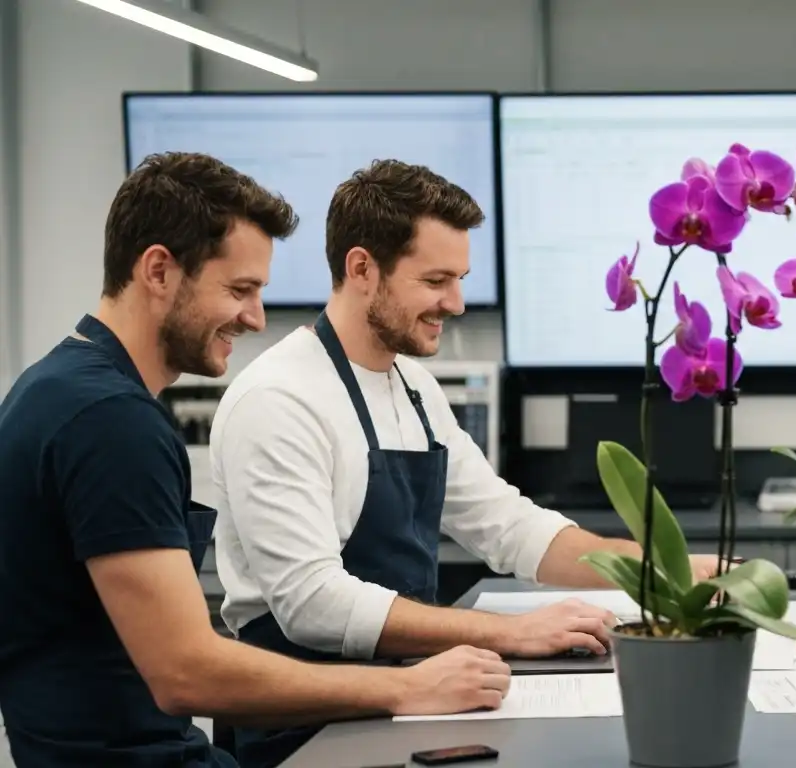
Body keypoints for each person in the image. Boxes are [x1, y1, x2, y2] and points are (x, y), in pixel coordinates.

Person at [0, 152, 514, 768]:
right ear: (159, 270)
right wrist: (409, 687)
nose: (256, 317)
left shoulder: (61, 387)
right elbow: (186, 672)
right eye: (239, 290)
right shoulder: (110, 419)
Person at [207, 158, 723, 767]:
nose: (455, 303)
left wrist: (670, 570)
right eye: (436, 280)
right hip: (308, 729)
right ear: (362, 269)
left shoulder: (414, 388)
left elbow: (508, 527)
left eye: (460, 279)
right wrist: (511, 632)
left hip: (413, 699)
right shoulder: (280, 399)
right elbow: (313, 604)